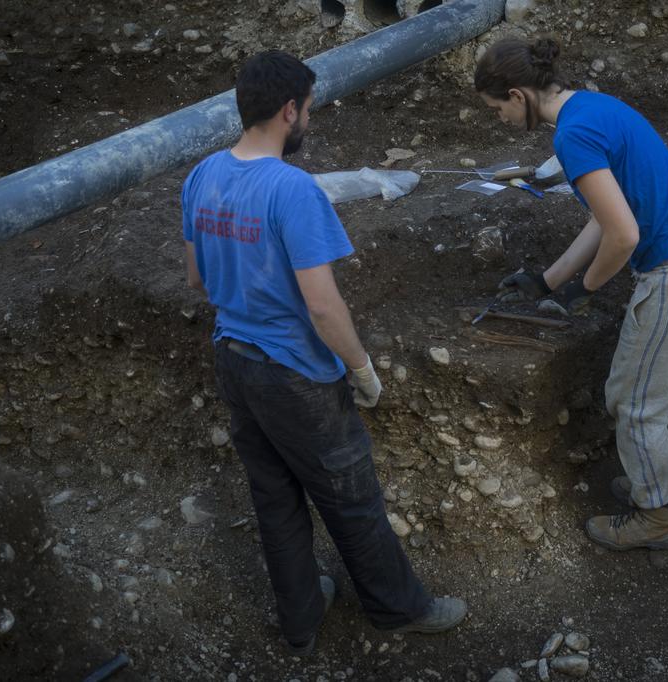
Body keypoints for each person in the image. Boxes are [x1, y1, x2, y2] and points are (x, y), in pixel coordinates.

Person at [182, 50, 466, 655]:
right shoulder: (294, 190)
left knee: (274, 497)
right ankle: (398, 608)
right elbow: (323, 306)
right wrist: (360, 368)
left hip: (233, 359)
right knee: (353, 499)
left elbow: (199, 282)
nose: (309, 119)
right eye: (309, 109)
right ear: (290, 110)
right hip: (295, 376)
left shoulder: (201, 176)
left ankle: (301, 619)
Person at [474, 38, 668, 551]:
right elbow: (608, 215)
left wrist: (586, 287)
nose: (501, 120)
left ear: (518, 93)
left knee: (634, 403)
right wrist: (549, 280)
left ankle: (654, 515)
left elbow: (623, 234)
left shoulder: (573, 137)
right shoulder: (594, 106)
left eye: (498, 109)